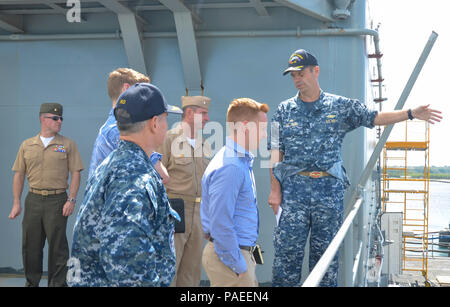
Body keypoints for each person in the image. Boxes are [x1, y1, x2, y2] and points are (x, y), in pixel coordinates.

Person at [268, 49, 443, 287]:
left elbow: (374, 117)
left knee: (326, 263)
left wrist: (410, 114)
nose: (297, 79)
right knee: (286, 261)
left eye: (301, 73)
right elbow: (275, 152)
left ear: (315, 71)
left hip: (328, 195)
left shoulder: (339, 107)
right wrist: (275, 190)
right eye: (293, 75)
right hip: (293, 195)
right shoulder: (283, 110)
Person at [69, 83, 182, 287]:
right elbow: (126, 259)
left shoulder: (114, 163)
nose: (167, 126)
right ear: (155, 123)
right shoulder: (133, 176)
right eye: (166, 119)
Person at [9, 103, 84, 287]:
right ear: (43, 119)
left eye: (61, 118)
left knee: (58, 247)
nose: (59, 121)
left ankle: (57, 284)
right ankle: (31, 282)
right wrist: (16, 202)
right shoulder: (27, 145)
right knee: (31, 245)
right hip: (33, 200)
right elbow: (19, 174)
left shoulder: (67, 144)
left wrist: (71, 199)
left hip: (57, 201)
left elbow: (76, 172)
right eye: (55, 118)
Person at [201, 98, 269, 287]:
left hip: (235, 255)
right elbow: (221, 222)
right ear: (245, 127)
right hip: (231, 260)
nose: (264, 135)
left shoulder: (238, 162)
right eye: (262, 129)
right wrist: (239, 265)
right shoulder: (231, 167)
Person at [157, 95, 212, 287]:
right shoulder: (169, 139)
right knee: (171, 266)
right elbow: (156, 178)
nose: (207, 118)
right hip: (175, 209)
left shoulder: (204, 143)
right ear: (189, 113)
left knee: (192, 270)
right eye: (203, 113)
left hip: (199, 211)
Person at [88, 68, 169, 182]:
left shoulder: (111, 127)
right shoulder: (118, 130)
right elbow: (162, 176)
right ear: (126, 89)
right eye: (142, 91)